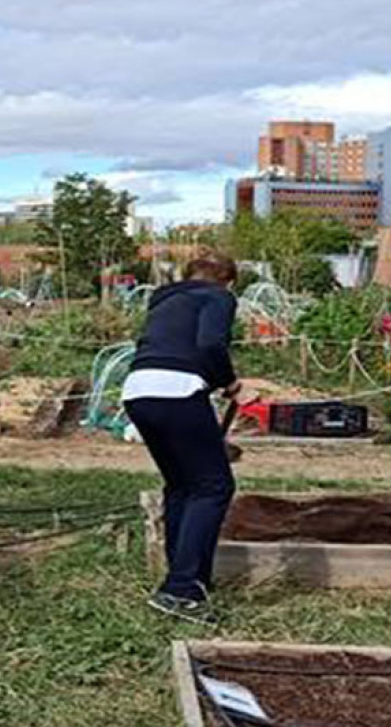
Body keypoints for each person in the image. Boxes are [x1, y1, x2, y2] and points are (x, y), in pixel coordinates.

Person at [122, 253, 254, 626]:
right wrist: (232, 386)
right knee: (213, 486)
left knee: (181, 485)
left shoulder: (166, 299)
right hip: (176, 390)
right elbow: (211, 343)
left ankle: (185, 576)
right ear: (227, 281)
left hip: (137, 390)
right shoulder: (218, 296)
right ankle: (181, 591)